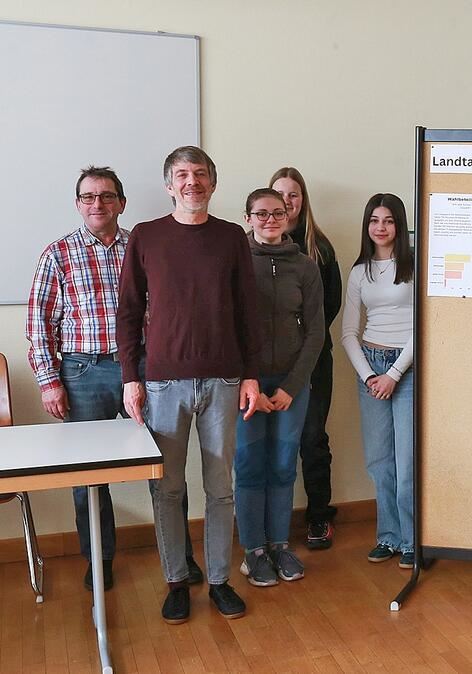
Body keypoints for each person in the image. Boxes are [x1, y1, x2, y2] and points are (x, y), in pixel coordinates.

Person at [26, 166, 201, 591]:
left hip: (145, 368)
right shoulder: (58, 253)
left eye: (106, 196)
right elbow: (38, 322)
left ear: (121, 203)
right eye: (88, 197)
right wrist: (50, 381)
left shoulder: (144, 246)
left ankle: (178, 557)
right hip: (82, 373)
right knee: (89, 474)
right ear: (78, 204)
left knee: (163, 468)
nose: (97, 204)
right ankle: (99, 560)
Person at [117, 146, 260, 624]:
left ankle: (219, 580)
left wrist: (253, 376)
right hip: (162, 384)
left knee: (220, 489)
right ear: (168, 184)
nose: (191, 182)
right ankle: (177, 581)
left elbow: (247, 313)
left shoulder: (232, 238)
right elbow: (129, 314)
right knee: (169, 490)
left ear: (212, 183)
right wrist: (130, 379)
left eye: (200, 174)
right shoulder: (146, 236)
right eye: (182, 175)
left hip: (223, 380)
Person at [235, 188, 324, 587]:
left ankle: (278, 545)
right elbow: (229, 328)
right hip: (245, 386)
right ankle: (254, 550)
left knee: (284, 466)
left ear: (289, 215)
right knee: (251, 466)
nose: (270, 219)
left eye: (278, 212)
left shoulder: (305, 266)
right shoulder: (236, 262)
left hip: (292, 385)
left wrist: (292, 386)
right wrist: (248, 382)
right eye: (261, 214)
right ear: (248, 218)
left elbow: (317, 332)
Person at [341, 193, 415, 569]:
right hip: (371, 366)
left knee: (407, 463)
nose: (380, 227)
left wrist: (394, 373)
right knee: (379, 461)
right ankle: (388, 537)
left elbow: (423, 324)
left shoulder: (415, 264)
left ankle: (411, 540)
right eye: (374, 220)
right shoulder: (359, 272)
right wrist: (371, 375)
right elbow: (348, 332)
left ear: (399, 226)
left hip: (407, 368)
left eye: (388, 220)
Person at [270, 167, 342, 550]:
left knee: (312, 439)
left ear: (303, 200)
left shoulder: (321, 249)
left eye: (293, 195)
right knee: (273, 443)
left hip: (314, 361)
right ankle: (271, 524)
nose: (286, 202)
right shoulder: (254, 246)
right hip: (270, 365)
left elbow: (330, 309)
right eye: (279, 194)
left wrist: (302, 347)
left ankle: (319, 518)